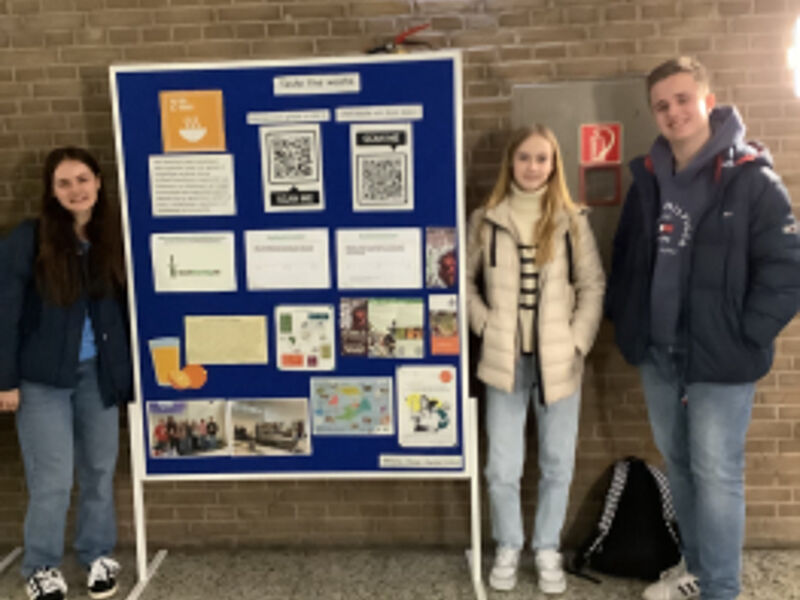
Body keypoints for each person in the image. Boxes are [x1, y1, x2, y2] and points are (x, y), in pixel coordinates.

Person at [605, 57, 800, 600]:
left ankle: (721, 590)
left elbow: (786, 271)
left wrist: (745, 334)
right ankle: (693, 568)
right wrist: (628, 320)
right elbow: (626, 259)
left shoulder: (752, 180)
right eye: (661, 106)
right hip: (660, 356)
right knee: (682, 468)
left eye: (683, 99)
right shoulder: (648, 180)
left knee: (717, 475)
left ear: (708, 102)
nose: (674, 113)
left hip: (721, 358)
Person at [466, 124, 605, 594]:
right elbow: (461, 281)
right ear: (511, 161)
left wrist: (577, 341)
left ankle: (547, 548)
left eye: (542, 158)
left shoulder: (572, 219)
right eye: (524, 157)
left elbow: (592, 285)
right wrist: (485, 324)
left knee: (557, 463)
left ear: (554, 164)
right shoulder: (486, 219)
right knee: (501, 468)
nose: (532, 167)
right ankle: (508, 544)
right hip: (503, 361)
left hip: (559, 363)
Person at [0, 147, 132, 600]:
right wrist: (4, 379)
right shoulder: (29, 238)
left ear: (98, 182)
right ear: (51, 191)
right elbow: (4, 311)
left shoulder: (111, 237)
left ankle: (97, 554)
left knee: (99, 469)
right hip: (41, 381)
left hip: (98, 375)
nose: (75, 190)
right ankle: (41, 566)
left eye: (82, 179)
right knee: (52, 479)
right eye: (64, 183)